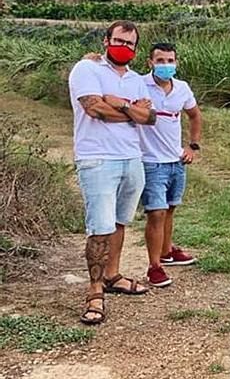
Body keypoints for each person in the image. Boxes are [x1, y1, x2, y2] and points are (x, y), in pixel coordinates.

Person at [68, 20, 157, 325]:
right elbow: (94, 109)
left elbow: (150, 117)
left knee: (120, 222)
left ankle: (112, 275)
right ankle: (94, 293)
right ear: (106, 40)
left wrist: (119, 105)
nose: (125, 47)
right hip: (98, 158)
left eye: (131, 44)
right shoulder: (87, 69)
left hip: (132, 158)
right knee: (100, 228)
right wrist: (131, 110)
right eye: (119, 40)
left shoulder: (134, 79)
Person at [138, 43, 202, 288]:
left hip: (176, 160)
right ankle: (154, 267)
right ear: (150, 63)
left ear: (176, 62)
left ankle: (166, 251)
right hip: (150, 161)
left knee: (171, 208)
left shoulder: (182, 88)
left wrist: (192, 146)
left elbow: (195, 115)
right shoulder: (138, 84)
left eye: (170, 60)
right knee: (156, 212)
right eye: (160, 60)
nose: (166, 65)